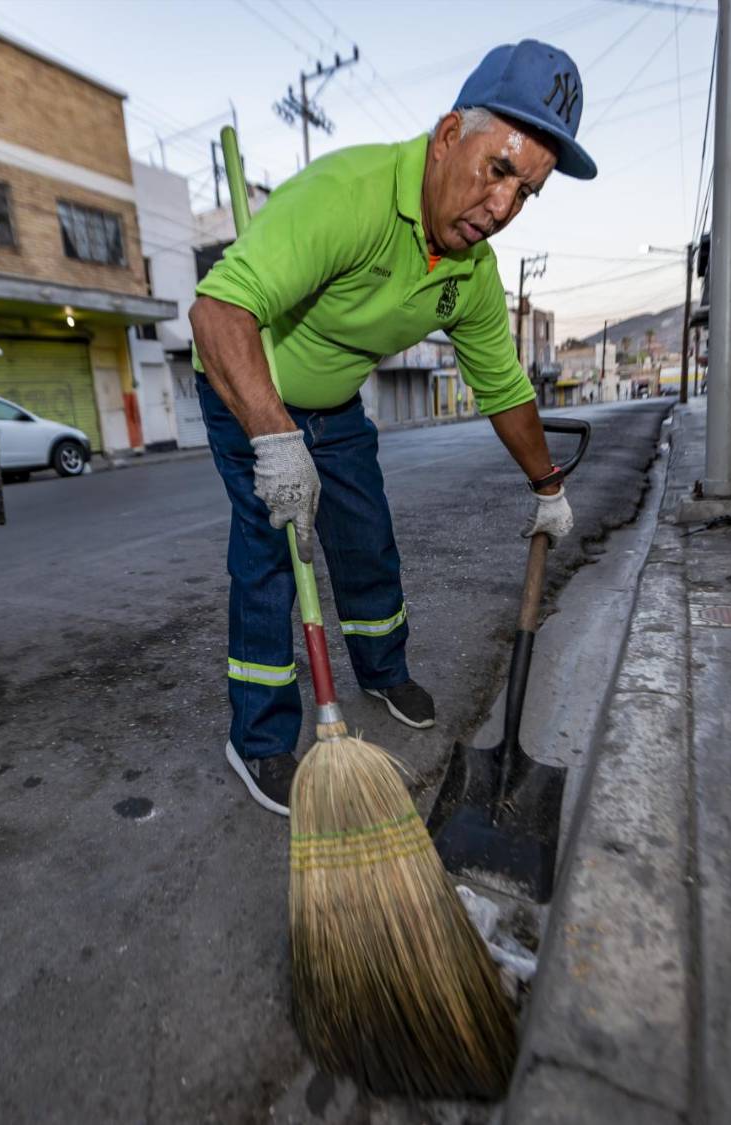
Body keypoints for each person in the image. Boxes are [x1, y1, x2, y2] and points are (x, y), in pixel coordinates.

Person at [189, 40, 597, 815]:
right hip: (248, 391)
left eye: (526, 193)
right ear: (448, 136)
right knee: (272, 555)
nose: (502, 207)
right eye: (497, 170)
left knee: (365, 539)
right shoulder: (348, 194)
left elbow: (503, 387)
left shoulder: (470, 273)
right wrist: (273, 438)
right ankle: (259, 738)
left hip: (335, 404)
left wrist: (547, 485)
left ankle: (381, 671)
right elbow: (217, 311)